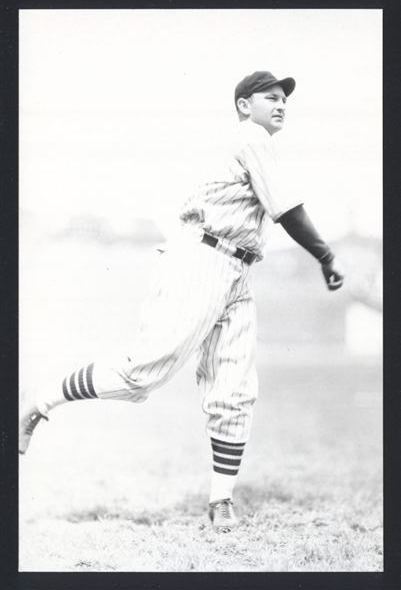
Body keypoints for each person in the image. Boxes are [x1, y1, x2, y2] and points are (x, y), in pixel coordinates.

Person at [19, 70, 345, 532]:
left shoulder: (251, 144)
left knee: (235, 388)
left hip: (237, 269)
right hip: (203, 260)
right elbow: (288, 210)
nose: (280, 104)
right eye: (269, 96)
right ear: (243, 105)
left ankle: (221, 502)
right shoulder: (250, 137)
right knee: (143, 375)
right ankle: (41, 398)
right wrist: (326, 256)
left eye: (284, 99)